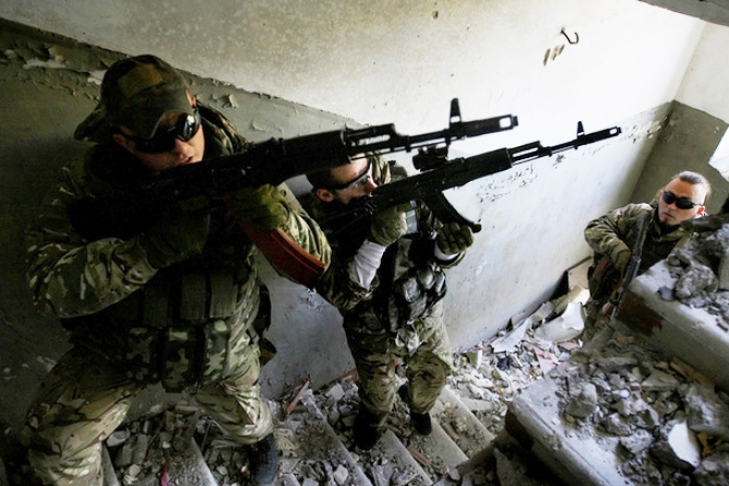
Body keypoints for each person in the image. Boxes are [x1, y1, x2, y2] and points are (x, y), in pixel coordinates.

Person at [19, 54, 330, 486]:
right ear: (124, 142)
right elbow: (50, 287)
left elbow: (317, 262)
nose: (182, 149)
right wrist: (147, 251)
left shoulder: (243, 167)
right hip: (119, 348)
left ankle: (260, 441)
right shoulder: (90, 181)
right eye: (157, 142)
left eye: (187, 127)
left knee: (250, 421)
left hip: (221, 344)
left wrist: (272, 218)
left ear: (195, 107)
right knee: (55, 448)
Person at [305, 153, 475, 450]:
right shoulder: (314, 226)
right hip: (372, 327)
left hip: (423, 311)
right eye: (359, 183)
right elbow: (340, 295)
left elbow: (435, 247)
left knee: (435, 375)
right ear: (326, 194)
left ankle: (418, 407)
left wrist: (446, 250)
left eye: (370, 171)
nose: (373, 186)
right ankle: (373, 420)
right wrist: (376, 242)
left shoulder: (402, 186)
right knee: (378, 394)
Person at [583, 170, 711, 339]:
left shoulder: (701, 245)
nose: (672, 207)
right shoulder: (638, 214)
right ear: (661, 195)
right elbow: (595, 228)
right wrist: (618, 251)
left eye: (684, 203)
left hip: (642, 325)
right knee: (588, 343)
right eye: (668, 198)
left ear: (699, 210)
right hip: (603, 301)